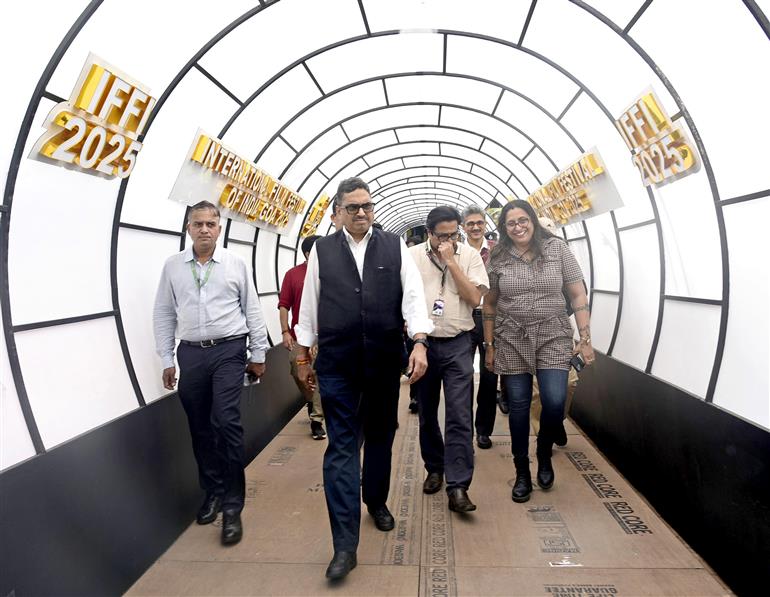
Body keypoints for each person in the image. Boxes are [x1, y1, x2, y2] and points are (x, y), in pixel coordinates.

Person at [294, 177, 432, 580]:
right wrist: (303, 354)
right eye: (352, 207)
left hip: (384, 360)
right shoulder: (322, 249)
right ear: (336, 211)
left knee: (381, 434)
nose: (361, 213)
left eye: (367, 206)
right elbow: (310, 305)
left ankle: (376, 498)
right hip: (337, 362)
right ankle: (344, 545)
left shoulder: (394, 247)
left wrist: (419, 341)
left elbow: (412, 296)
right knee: (341, 447)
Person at [153, 200, 269, 545]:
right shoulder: (173, 267)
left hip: (229, 350)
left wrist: (259, 352)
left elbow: (252, 307)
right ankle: (213, 493)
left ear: (219, 229)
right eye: (198, 223)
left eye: (211, 224)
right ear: (188, 228)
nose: (204, 229)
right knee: (200, 428)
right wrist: (166, 358)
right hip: (191, 353)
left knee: (226, 421)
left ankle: (233, 508)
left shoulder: (234, 264)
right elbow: (163, 313)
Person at [483, 200, 593, 503]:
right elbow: (489, 302)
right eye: (511, 223)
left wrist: (585, 337)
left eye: (523, 220)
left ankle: (544, 453)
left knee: (555, 402)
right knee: (517, 405)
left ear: (532, 220)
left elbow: (577, 293)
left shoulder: (557, 249)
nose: (518, 227)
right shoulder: (498, 256)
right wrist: (489, 345)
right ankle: (522, 472)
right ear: (504, 229)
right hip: (511, 337)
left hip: (553, 334)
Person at [410, 206, 489, 513]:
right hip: (424, 343)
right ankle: (435, 467)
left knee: (458, 414)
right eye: (441, 235)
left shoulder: (468, 256)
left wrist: (452, 261)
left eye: (453, 234)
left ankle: (458, 486)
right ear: (428, 233)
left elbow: (475, 299)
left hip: (459, 342)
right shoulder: (412, 257)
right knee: (427, 411)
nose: (448, 240)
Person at [278, 235, 326, 440]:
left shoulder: (331, 273)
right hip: (300, 335)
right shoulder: (293, 275)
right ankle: (312, 401)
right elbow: (283, 305)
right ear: (308, 253)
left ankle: (317, 419)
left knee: (320, 375)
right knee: (297, 371)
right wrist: (285, 331)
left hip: (326, 337)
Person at [461, 205, 498, 450]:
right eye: (470, 223)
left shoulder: (498, 251)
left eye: (479, 223)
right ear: (463, 226)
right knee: (461, 378)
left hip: (492, 318)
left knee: (489, 375)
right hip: (464, 317)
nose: (475, 227)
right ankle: (464, 431)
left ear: (485, 225)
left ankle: (484, 430)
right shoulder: (456, 252)